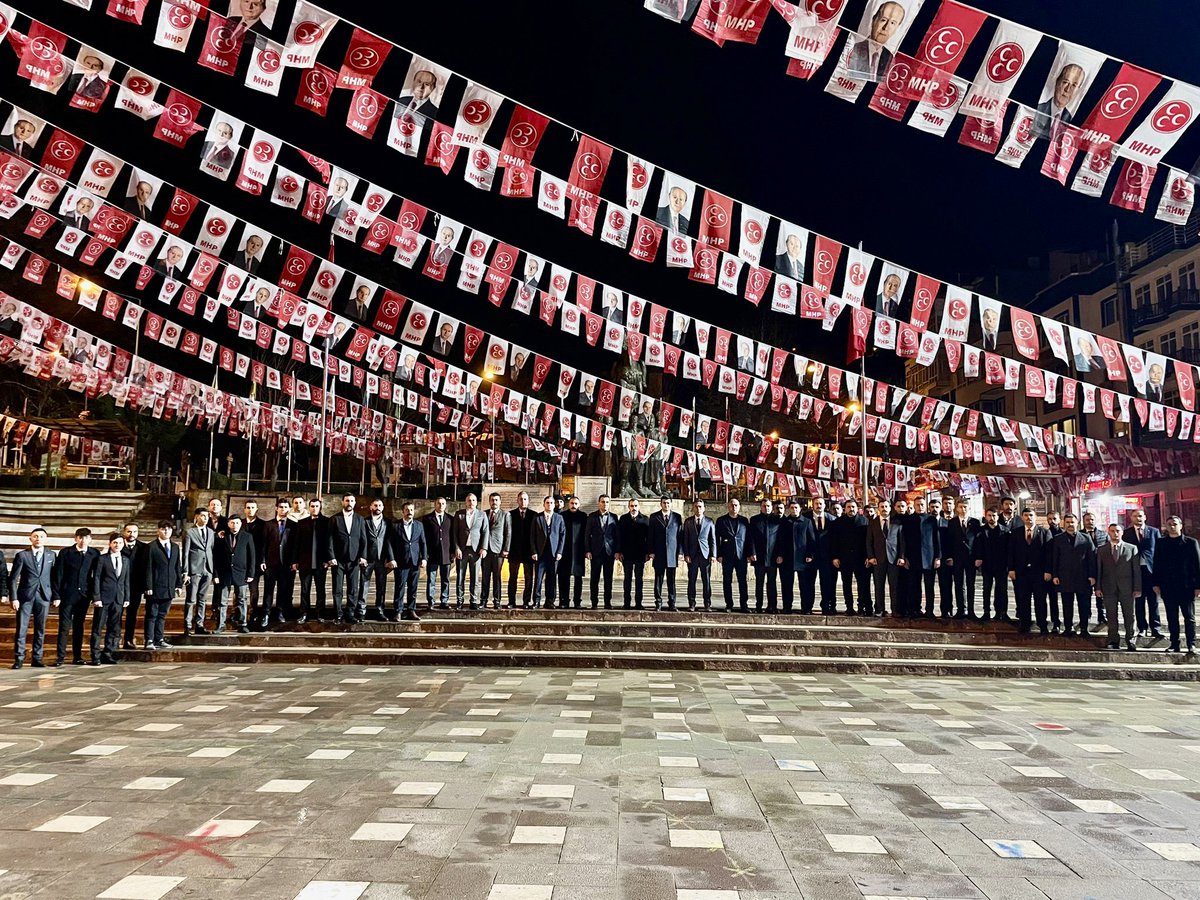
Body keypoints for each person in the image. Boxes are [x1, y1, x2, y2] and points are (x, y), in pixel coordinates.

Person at [10, 528, 57, 668]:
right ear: (30, 538)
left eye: (41, 536)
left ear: (45, 539)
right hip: (25, 597)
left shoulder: (51, 555)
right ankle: (19, 658)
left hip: (43, 596)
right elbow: (13, 579)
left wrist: (56, 595)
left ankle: (37, 657)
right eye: (35, 536)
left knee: (40, 628)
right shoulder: (22, 556)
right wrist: (14, 598)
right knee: (22, 628)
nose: (38, 539)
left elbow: (55, 578)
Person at [1153, 516, 1200, 654]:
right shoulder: (1161, 543)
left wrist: (1198, 586)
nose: (1172, 526)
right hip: (1168, 586)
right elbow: (1157, 564)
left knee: (1189, 617)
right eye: (1169, 524)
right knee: (1171, 617)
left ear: (1181, 525)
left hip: (1186, 586)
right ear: (1166, 527)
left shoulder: (1191, 543)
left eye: (1175, 524)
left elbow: (1197, 565)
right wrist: (1156, 583)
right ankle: (1175, 644)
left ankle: (1191, 644)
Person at [52, 527, 98, 667]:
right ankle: (60, 657)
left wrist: (93, 595)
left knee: (79, 627)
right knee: (64, 627)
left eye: (86, 538)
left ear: (90, 539)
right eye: (80, 537)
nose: (83, 540)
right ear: (76, 538)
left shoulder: (94, 553)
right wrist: (57, 594)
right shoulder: (66, 553)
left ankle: (77, 656)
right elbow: (58, 575)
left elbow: (95, 576)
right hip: (67, 595)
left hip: (83, 596)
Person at [1049, 513, 1097, 639]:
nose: (1070, 524)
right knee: (1067, 604)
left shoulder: (1086, 538)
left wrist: (1092, 575)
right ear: (1064, 524)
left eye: (1072, 522)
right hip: (1065, 577)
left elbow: (1091, 558)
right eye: (1068, 522)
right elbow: (1055, 558)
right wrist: (1055, 575)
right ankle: (1068, 627)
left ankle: (1084, 628)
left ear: (1077, 523)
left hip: (1083, 577)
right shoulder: (1058, 538)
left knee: (1084, 605)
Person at [1096, 523, 1141, 651]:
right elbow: (1099, 570)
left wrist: (1137, 588)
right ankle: (1113, 640)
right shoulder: (1102, 549)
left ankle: (1130, 640)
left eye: (1117, 531)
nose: (1115, 533)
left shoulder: (1131, 548)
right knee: (1111, 615)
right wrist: (1098, 587)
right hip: (1108, 587)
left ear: (1122, 533)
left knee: (1130, 615)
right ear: (1108, 532)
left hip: (1127, 588)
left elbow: (1136, 570)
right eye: (1112, 531)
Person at [1007, 509, 1052, 635]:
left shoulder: (1044, 532)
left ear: (1035, 517)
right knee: (1022, 599)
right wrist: (1011, 569)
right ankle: (1024, 624)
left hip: (1039, 573)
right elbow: (1011, 552)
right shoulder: (1016, 533)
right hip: (1021, 572)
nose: (1028, 518)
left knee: (1040, 600)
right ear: (1022, 517)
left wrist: (1048, 571)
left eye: (1031, 515)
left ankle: (1042, 624)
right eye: (1026, 515)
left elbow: (1049, 554)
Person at [291, 498, 333, 624]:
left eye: (317, 506)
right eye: (312, 506)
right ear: (309, 508)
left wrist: (327, 559)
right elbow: (296, 543)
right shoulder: (302, 522)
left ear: (320, 508)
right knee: (304, 590)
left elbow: (329, 542)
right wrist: (295, 561)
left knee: (320, 590)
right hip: (305, 562)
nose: (314, 508)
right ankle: (304, 613)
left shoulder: (327, 522)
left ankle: (320, 614)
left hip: (321, 563)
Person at [89, 532, 129, 665]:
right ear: (110, 544)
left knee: (114, 627)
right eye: (115, 543)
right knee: (98, 627)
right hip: (103, 598)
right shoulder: (102, 559)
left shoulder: (125, 560)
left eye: (120, 543)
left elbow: (125, 580)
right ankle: (95, 655)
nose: (117, 545)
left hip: (118, 598)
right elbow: (97, 578)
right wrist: (96, 597)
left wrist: (126, 597)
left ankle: (108, 653)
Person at [142, 520, 182, 651]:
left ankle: (159, 639)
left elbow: (177, 567)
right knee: (152, 615)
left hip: (169, 587)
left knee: (162, 615)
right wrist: (148, 586)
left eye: (169, 529)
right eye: (164, 529)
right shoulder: (151, 547)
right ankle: (149, 640)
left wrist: (178, 585)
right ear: (158, 530)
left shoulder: (175, 547)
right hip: (155, 587)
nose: (166, 532)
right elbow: (147, 568)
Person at [1123, 509, 1162, 640]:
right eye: (1135, 516)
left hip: (1151, 571)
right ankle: (1142, 628)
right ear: (1131, 518)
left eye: (1140, 516)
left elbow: (1159, 550)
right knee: (1139, 602)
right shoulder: (1126, 533)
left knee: (1153, 602)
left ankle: (1156, 629)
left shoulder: (1154, 531)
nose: (1138, 518)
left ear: (1144, 517)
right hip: (1135, 571)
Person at [329, 494, 367, 625]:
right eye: (347, 501)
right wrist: (331, 557)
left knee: (353, 589)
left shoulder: (360, 519)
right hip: (338, 560)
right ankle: (338, 614)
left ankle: (350, 613)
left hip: (354, 560)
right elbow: (330, 540)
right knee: (337, 589)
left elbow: (363, 539)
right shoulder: (334, 519)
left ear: (355, 503)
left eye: (351, 501)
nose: (349, 503)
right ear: (342, 502)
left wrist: (363, 556)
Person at [214, 514, 255, 633]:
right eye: (232, 523)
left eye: (237, 523)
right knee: (222, 600)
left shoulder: (247, 536)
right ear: (228, 524)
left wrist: (250, 573)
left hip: (241, 573)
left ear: (240, 524)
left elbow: (252, 556)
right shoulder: (222, 536)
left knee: (242, 599)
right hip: (224, 573)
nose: (234, 525)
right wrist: (216, 574)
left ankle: (243, 623)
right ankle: (220, 624)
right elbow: (217, 557)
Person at [388, 501, 427, 620]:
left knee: (413, 587)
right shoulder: (395, 526)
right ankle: (398, 611)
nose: (410, 512)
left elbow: (423, 543)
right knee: (400, 587)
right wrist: (391, 559)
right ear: (403, 511)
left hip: (415, 562)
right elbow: (389, 544)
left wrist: (424, 558)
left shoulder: (419, 525)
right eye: (407, 510)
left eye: (411, 510)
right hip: (401, 562)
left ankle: (411, 610)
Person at [846, 1, 905, 77]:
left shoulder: (890, 59)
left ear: (896, 28)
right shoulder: (854, 48)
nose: (886, 27)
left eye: (892, 23)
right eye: (883, 20)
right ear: (874, 19)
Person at [830, 500, 868, 615]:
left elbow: (868, 541)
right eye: (848, 507)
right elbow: (834, 541)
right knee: (847, 585)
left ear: (857, 508)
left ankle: (861, 607)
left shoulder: (864, 521)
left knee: (862, 585)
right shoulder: (838, 522)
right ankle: (849, 607)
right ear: (845, 509)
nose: (851, 509)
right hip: (844, 558)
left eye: (853, 507)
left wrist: (868, 556)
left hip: (860, 558)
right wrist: (835, 557)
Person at [944, 499, 981, 619]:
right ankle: (961, 609)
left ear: (968, 508)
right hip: (957, 558)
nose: (963, 509)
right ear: (957, 508)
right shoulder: (952, 522)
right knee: (959, 584)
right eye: (961, 507)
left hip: (971, 558)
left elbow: (978, 541)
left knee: (971, 584)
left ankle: (971, 611)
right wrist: (950, 557)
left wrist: (978, 557)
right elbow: (949, 541)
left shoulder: (975, 522)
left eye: (965, 507)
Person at [453, 493, 489, 610]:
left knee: (475, 578)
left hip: (476, 551)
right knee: (460, 577)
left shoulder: (482, 514)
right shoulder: (459, 514)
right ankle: (459, 601)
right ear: (466, 502)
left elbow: (485, 532)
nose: (471, 502)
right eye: (469, 500)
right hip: (462, 550)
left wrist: (483, 548)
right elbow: (454, 533)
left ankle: (474, 600)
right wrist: (457, 548)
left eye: (473, 500)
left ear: (476, 502)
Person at [261, 499, 295, 625]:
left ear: (289, 509)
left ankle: (280, 612)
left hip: (286, 563)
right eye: (281, 507)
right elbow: (263, 544)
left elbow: (294, 546)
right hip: (271, 562)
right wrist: (263, 560)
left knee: (283, 589)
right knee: (268, 589)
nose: (283, 509)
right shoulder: (268, 524)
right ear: (276, 508)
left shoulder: (293, 525)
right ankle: (266, 613)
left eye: (286, 507)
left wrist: (293, 562)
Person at [359, 498, 393, 620]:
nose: (377, 507)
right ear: (371, 507)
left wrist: (390, 558)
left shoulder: (388, 522)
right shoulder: (364, 521)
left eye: (380, 505)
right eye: (375, 505)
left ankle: (380, 610)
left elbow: (389, 541)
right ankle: (361, 611)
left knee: (381, 586)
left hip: (382, 559)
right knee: (364, 585)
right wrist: (362, 557)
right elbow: (362, 540)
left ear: (383, 508)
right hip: (368, 558)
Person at [648, 497, 683, 611]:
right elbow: (650, 536)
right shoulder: (654, 517)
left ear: (671, 504)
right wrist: (651, 551)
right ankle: (658, 602)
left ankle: (672, 603)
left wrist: (680, 552)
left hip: (672, 554)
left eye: (668, 503)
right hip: (658, 554)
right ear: (661, 504)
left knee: (671, 581)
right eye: (664, 503)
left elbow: (679, 536)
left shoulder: (677, 517)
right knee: (658, 579)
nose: (666, 505)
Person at [974, 507, 1009, 622]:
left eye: (994, 515)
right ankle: (986, 612)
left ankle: (1002, 612)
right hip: (987, 564)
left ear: (997, 517)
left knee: (1002, 589)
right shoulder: (981, 530)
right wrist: (979, 558)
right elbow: (978, 546)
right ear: (986, 516)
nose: (991, 518)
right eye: (989, 515)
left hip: (1001, 565)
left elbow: (1008, 549)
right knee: (986, 589)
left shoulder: (1005, 530)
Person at [182, 508, 214, 634]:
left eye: (207, 516)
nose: (205, 518)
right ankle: (188, 624)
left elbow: (211, 550)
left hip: (208, 568)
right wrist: (186, 571)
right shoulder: (190, 532)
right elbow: (185, 553)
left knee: (203, 598)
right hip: (194, 569)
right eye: (202, 516)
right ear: (196, 517)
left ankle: (199, 624)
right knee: (191, 599)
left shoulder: (211, 532)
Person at [531, 495, 565, 609]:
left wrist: (560, 551)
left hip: (553, 553)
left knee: (552, 578)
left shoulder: (559, 518)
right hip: (540, 554)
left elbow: (562, 536)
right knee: (538, 579)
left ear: (554, 504)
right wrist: (534, 551)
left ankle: (550, 601)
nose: (549, 504)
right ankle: (536, 601)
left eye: (551, 503)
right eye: (547, 502)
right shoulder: (537, 517)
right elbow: (532, 536)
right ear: (544, 504)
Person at [1033, 63, 1084, 140]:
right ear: (1057, 82)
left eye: (1074, 85)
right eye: (1065, 82)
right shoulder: (1038, 109)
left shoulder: (1073, 121)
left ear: (1078, 90)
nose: (1067, 89)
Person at [682, 499, 717, 611]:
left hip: (705, 555)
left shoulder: (709, 521)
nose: (698, 509)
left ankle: (707, 604)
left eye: (700, 507)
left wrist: (713, 554)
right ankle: (692, 604)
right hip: (692, 555)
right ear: (693, 508)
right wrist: (686, 554)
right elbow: (685, 539)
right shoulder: (688, 522)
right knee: (691, 580)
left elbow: (713, 539)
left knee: (706, 580)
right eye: (696, 506)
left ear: (704, 508)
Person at [716, 498, 750, 612]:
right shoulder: (721, 520)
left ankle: (744, 605)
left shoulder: (744, 521)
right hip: (727, 555)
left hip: (741, 555)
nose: (734, 507)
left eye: (736, 505)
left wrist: (749, 554)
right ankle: (729, 604)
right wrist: (719, 554)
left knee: (742, 581)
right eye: (732, 505)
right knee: (727, 581)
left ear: (739, 507)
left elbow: (748, 539)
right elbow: (717, 539)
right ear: (728, 506)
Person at [805, 498, 838, 614]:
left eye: (821, 504)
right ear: (812, 505)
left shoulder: (832, 519)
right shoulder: (805, 518)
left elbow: (835, 540)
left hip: (827, 558)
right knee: (809, 583)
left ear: (825, 505)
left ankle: (826, 607)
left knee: (827, 583)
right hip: (810, 557)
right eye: (816, 504)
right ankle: (807, 607)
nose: (818, 506)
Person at [586, 494, 619, 609]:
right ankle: (594, 602)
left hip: (609, 552)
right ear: (599, 503)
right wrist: (588, 550)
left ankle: (607, 602)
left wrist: (617, 551)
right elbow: (587, 535)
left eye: (607, 502)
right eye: (603, 502)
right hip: (596, 551)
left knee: (608, 579)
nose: (605, 504)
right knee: (594, 578)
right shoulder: (591, 517)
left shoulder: (614, 517)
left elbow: (617, 536)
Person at [749, 499, 781, 613]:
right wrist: (752, 552)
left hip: (773, 557)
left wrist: (780, 555)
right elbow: (751, 538)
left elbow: (780, 540)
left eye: (768, 506)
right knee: (759, 583)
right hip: (759, 557)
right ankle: (759, 606)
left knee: (772, 583)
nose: (766, 508)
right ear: (760, 507)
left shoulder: (778, 520)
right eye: (764, 506)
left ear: (772, 507)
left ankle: (772, 606)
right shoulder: (754, 520)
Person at [783, 498, 815, 613]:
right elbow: (780, 541)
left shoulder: (807, 522)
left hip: (803, 559)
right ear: (789, 509)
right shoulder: (785, 522)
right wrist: (780, 555)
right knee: (787, 585)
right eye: (791, 508)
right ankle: (787, 607)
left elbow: (811, 540)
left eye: (796, 507)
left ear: (800, 509)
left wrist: (810, 555)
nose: (794, 510)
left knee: (804, 585)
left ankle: (806, 608)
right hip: (787, 559)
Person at [120, 523, 149, 649]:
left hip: (135, 587)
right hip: (119, 587)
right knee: (116, 615)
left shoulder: (144, 547)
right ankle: (114, 640)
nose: (132, 535)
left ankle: (128, 639)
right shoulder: (118, 545)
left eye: (134, 532)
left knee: (131, 615)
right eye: (129, 532)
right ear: (124, 532)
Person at [617, 499, 650, 609]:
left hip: (640, 554)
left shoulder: (645, 519)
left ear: (639, 506)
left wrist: (647, 553)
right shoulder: (623, 519)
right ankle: (626, 603)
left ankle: (638, 603)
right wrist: (619, 551)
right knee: (627, 579)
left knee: (639, 580)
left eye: (636, 505)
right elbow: (620, 536)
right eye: (632, 506)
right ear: (628, 507)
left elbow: (648, 538)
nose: (634, 508)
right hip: (627, 554)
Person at [864, 499, 895, 615]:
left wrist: (901, 556)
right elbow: (868, 541)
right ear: (878, 509)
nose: (884, 509)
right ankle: (879, 609)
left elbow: (902, 541)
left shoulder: (896, 522)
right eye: (881, 506)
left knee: (894, 586)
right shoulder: (873, 522)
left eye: (886, 506)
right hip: (878, 559)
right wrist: (871, 556)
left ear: (890, 508)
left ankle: (895, 610)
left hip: (893, 559)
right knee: (878, 586)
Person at [481, 492, 511, 610]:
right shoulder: (483, 514)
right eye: (492, 500)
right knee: (485, 577)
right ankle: (483, 600)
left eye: (496, 500)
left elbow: (508, 533)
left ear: (500, 501)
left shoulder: (505, 515)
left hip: (498, 551)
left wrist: (506, 549)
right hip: (485, 550)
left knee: (497, 577)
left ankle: (497, 600)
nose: (494, 502)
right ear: (489, 501)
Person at [557, 495, 587, 609]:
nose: (573, 505)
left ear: (579, 505)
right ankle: (563, 600)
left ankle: (577, 601)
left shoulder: (584, 516)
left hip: (579, 551)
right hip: (564, 551)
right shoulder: (562, 516)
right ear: (568, 504)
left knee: (578, 578)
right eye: (571, 503)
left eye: (575, 504)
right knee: (563, 577)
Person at [508, 492, 535, 609]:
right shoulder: (510, 515)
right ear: (517, 500)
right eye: (521, 499)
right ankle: (511, 601)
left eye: (525, 499)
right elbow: (507, 533)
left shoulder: (534, 515)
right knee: (512, 577)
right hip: (514, 551)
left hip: (529, 552)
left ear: (528, 501)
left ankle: (526, 601)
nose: (523, 501)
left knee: (529, 578)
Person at [1080, 511, 1106, 626]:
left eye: (1092, 519)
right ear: (1083, 521)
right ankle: (1087, 615)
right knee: (1086, 594)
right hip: (1085, 569)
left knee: (1101, 594)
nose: (1090, 522)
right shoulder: (1079, 534)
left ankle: (1102, 615)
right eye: (1087, 520)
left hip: (1101, 568)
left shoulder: (1103, 534)